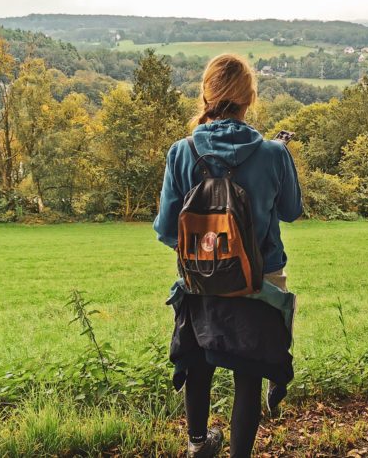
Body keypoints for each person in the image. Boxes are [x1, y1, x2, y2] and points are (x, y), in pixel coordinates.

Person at [153, 53, 303, 458]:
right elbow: (291, 211)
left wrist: (209, 253)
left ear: (206, 93)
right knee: (247, 377)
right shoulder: (274, 153)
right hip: (260, 282)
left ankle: (198, 444)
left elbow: (167, 231)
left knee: (200, 360)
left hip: (199, 281)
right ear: (248, 98)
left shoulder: (181, 152)